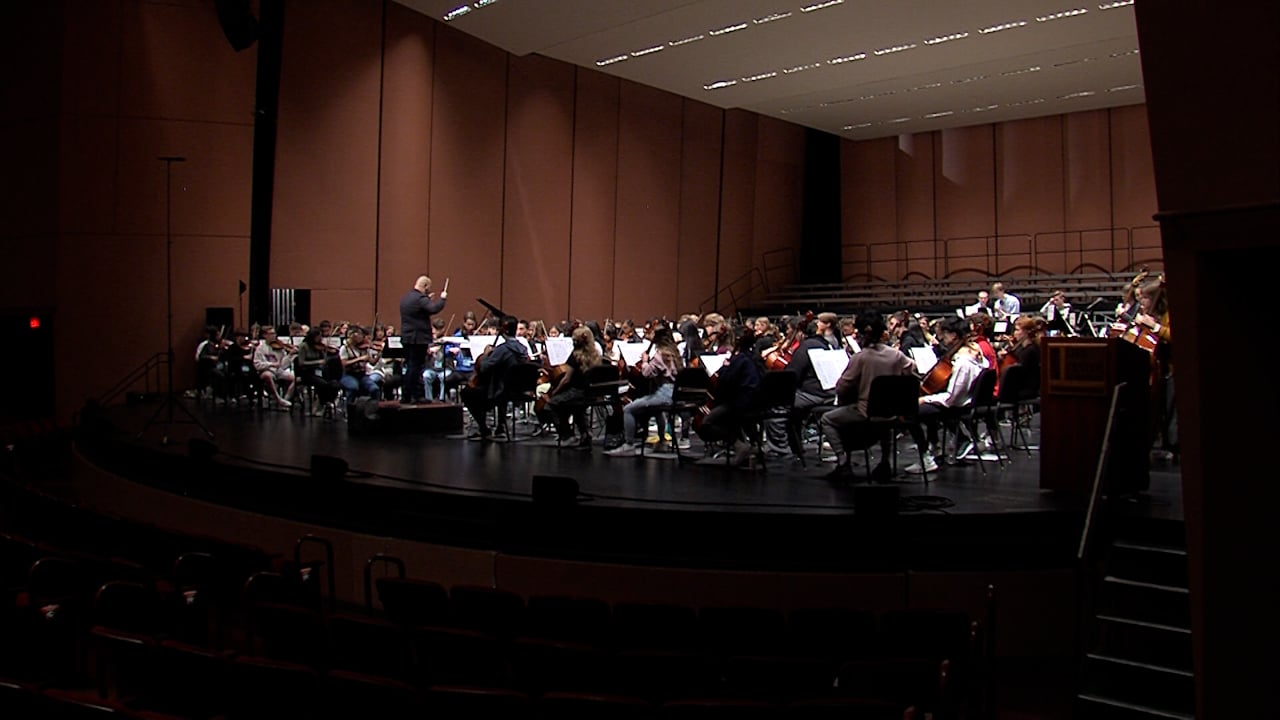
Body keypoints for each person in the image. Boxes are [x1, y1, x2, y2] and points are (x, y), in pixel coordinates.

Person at [820, 311, 916, 480]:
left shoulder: (861, 357)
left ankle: (843, 462)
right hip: (893, 411)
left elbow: (843, 387)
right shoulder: (896, 355)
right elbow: (913, 372)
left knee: (827, 419)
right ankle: (885, 461)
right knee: (885, 419)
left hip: (866, 411)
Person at [904, 319, 989, 475]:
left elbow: (951, 399)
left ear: (954, 336)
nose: (942, 338)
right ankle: (937, 445)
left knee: (910, 411)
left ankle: (926, 458)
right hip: (966, 401)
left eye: (944, 334)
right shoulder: (974, 352)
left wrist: (925, 399)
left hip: (958, 405)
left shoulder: (962, 362)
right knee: (926, 405)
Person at [606, 325, 683, 457]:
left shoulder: (660, 355)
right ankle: (662, 441)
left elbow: (646, 373)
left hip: (665, 394)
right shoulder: (675, 353)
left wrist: (645, 361)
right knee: (656, 411)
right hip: (676, 392)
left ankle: (629, 445)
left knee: (628, 409)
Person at [460, 316, 530, 441]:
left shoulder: (502, 350)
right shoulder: (523, 349)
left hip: (500, 391)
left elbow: (484, 368)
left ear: (504, 330)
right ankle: (500, 426)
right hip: (517, 390)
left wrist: (486, 354)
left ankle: (483, 427)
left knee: (466, 393)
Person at [537, 326, 602, 450]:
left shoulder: (575, 356)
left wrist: (555, 392)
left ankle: (567, 436)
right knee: (577, 410)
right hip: (590, 393)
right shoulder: (596, 355)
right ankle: (585, 436)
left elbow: (566, 379)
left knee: (551, 405)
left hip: (577, 392)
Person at [398, 275, 447, 405]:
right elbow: (434, 309)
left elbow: (418, 310)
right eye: (427, 288)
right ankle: (415, 395)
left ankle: (406, 395)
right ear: (425, 286)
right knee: (416, 367)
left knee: (410, 366)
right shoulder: (420, 298)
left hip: (406, 337)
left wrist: (426, 300)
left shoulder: (406, 298)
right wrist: (442, 298)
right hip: (418, 338)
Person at [252, 326, 296, 409]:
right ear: (265, 335)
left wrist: (290, 355)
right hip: (265, 371)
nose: (274, 336)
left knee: (295, 378)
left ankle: (286, 399)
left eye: (274, 333)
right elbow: (257, 365)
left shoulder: (279, 347)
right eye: (271, 334)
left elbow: (282, 365)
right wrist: (271, 364)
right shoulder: (260, 348)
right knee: (268, 375)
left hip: (278, 371)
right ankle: (278, 399)